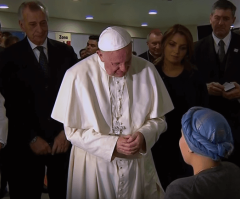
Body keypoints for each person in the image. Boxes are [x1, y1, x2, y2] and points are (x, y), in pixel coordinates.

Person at [51, 26, 174, 199]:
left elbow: (160, 119)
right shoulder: (77, 75)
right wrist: (112, 144)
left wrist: (144, 135)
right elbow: (72, 131)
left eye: (128, 61)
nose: (123, 69)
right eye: (116, 64)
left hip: (136, 165)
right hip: (93, 167)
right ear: (100, 55)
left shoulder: (147, 70)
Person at [0, 1, 78, 199]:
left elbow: (76, 96)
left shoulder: (65, 53)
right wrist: (31, 137)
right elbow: (12, 104)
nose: (39, 29)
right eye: (33, 24)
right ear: (21, 25)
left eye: (43, 23)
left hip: (61, 142)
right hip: (25, 145)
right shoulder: (8, 57)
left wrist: (65, 132)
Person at [151, 24, 209, 190]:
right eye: (172, 44)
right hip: (158, 143)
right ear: (164, 44)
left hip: (188, 144)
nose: (176, 51)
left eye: (182, 48)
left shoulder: (194, 76)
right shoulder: (152, 73)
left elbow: (203, 112)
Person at [193, 0, 240, 167]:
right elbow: (190, 83)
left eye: (226, 19)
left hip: (237, 119)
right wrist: (204, 88)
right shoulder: (196, 48)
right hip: (207, 120)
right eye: (217, 18)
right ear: (211, 18)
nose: (221, 23)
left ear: (233, 20)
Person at [165, 106, 240, 199]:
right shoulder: (233, 170)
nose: (180, 140)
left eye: (182, 135)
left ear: (191, 146)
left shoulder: (182, 190)